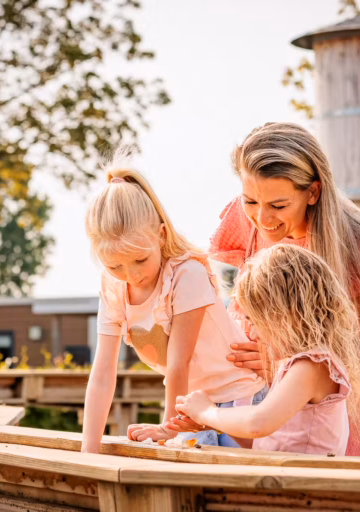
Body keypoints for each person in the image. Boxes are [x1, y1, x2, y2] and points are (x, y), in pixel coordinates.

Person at [206, 122, 360, 456]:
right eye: (249, 201)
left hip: (338, 435)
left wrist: (282, 362)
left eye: (278, 205)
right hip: (260, 431)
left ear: (313, 192)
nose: (262, 218)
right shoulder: (251, 219)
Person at [80, 153, 265, 453]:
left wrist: (166, 431)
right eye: (115, 266)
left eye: (140, 259)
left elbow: (180, 364)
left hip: (238, 398)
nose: (132, 275)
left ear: (161, 236)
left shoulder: (185, 273)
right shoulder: (113, 288)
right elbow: (102, 375)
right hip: (193, 406)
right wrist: (89, 450)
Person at [173, 245, 360, 455]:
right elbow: (264, 442)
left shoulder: (313, 365)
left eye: (255, 321)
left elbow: (258, 423)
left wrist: (207, 411)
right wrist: (213, 423)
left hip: (303, 485)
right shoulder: (297, 367)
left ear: (287, 314)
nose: (253, 334)